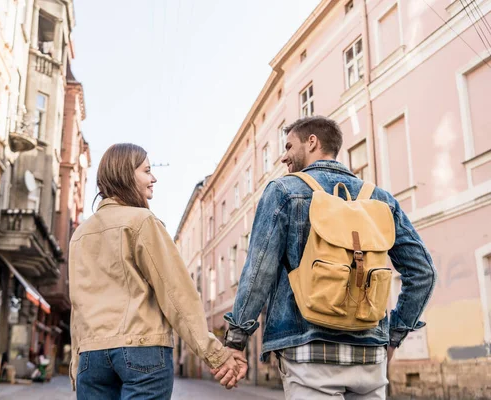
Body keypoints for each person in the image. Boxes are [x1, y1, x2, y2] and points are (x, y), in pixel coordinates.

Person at [218, 116, 436, 399]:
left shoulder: (284, 191)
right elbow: (423, 272)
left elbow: (258, 272)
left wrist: (236, 341)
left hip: (307, 352)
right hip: (370, 354)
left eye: (288, 146)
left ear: (312, 142)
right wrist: (393, 336)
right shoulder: (380, 199)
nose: (284, 157)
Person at [69, 143, 245, 399]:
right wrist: (215, 354)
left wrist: (77, 364)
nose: (154, 178)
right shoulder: (142, 222)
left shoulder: (80, 234)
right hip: (142, 352)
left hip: (91, 358)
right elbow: (177, 294)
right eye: (147, 170)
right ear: (126, 174)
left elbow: (79, 306)